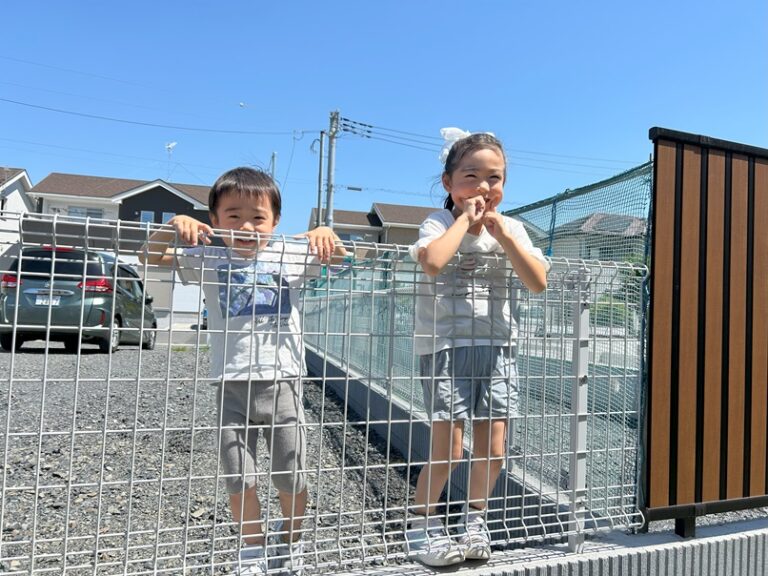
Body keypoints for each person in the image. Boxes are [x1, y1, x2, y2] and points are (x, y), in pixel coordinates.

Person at [140, 167, 345, 575]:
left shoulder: (289, 253)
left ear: (275, 222)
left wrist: (326, 234)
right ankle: (252, 549)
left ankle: (291, 542)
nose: (246, 226)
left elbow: (338, 258)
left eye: (257, 217)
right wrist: (172, 225)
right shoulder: (209, 256)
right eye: (232, 216)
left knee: (291, 471)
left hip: (283, 381)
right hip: (229, 383)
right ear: (214, 220)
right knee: (239, 476)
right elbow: (148, 256)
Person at [406, 129, 548, 566]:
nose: (485, 187)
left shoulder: (513, 228)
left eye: (495, 178)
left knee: (495, 447)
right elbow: (431, 261)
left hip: (498, 347)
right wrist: (466, 221)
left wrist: (504, 236)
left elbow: (537, 282)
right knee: (448, 447)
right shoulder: (438, 222)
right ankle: (422, 523)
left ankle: (474, 520)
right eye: (472, 176)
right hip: (445, 347)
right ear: (448, 182)